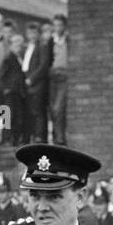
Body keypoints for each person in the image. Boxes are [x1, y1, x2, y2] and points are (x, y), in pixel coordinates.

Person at [47, 14, 69, 143]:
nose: (57, 28)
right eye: (55, 25)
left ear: (64, 26)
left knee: (58, 107)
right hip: (53, 75)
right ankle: (56, 137)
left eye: (60, 25)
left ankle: (60, 138)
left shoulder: (68, 40)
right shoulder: (51, 41)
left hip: (64, 75)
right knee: (52, 109)